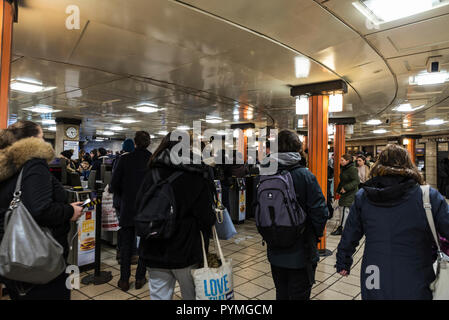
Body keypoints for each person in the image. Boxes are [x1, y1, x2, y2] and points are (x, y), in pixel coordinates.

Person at [335, 144, 449, 300]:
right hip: (416, 271)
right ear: (409, 163)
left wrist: (343, 261)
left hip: (374, 272)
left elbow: (350, 232)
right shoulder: (428, 196)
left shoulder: (364, 196)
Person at [0, 121, 83, 300]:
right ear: (32, 140)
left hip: (11, 256)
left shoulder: (8, 166)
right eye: (42, 136)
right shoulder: (34, 164)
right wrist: (69, 211)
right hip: (38, 260)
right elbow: (40, 210)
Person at [137, 132, 216, 300]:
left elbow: (139, 207)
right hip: (185, 252)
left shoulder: (151, 172)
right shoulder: (196, 176)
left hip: (153, 249)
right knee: (191, 297)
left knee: (159, 297)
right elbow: (207, 218)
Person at [260, 130, 328, 300]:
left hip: (274, 249)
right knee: (299, 294)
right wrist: (315, 235)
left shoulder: (265, 173)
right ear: (298, 147)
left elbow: (259, 209)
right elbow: (320, 212)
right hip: (301, 250)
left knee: (281, 293)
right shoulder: (304, 175)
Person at [110, 132, 152, 291]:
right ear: (148, 143)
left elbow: (114, 186)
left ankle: (124, 280)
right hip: (147, 210)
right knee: (145, 246)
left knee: (126, 246)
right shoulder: (153, 160)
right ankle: (140, 277)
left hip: (128, 209)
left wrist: (125, 195)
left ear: (135, 143)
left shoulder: (124, 160)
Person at [111, 138, 136, 264]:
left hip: (119, 200)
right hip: (126, 201)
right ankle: (127, 252)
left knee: (123, 227)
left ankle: (122, 252)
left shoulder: (119, 159)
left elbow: (114, 182)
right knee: (129, 228)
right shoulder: (127, 160)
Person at [331, 154, 359, 236]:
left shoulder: (352, 169)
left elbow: (356, 181)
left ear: (347, 161)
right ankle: (347, 228)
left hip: (350, 193)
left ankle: (341, 228)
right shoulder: (345, 168)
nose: (340, 162)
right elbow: (343, 181)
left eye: (342, 160)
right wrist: (338, 190)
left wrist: (346, 188)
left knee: (344, 210)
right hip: (345, 192)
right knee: (346, 210)